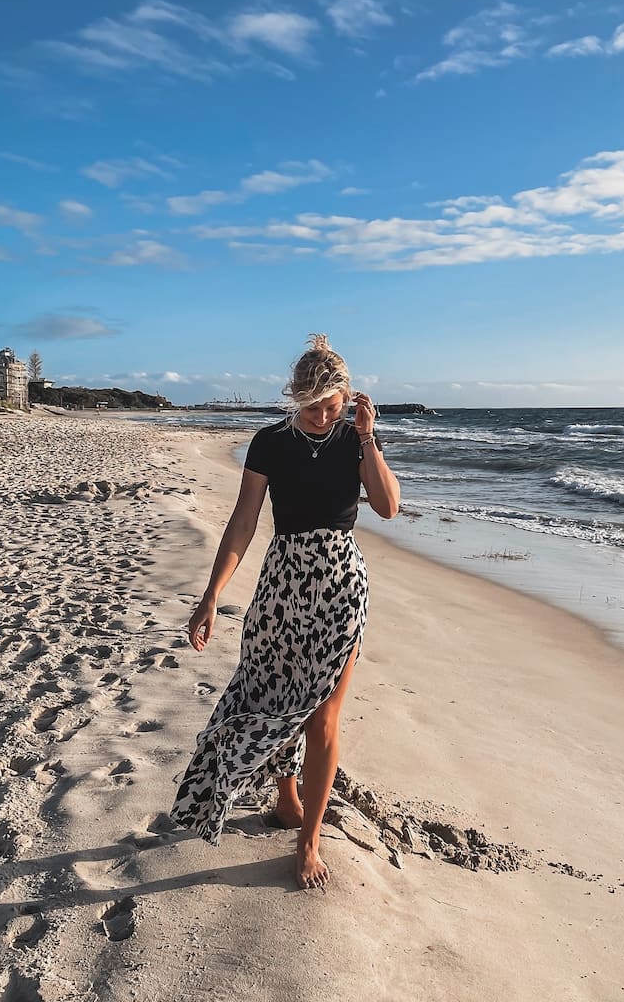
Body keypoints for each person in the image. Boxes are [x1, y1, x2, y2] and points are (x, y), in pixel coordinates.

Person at [169, 334, 400, 889]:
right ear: (295, 398)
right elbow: (244, 520)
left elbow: (389, 506)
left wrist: (369, 440)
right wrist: (211, 597)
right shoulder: (270, 442)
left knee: (322, 714)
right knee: (270, 696)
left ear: (348, 397)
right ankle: (287, 797)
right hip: (282, 586)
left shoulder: (353, 439)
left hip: (340, 585)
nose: (323, 416)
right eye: (312, 405)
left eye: (333, 404)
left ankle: (309, 841)